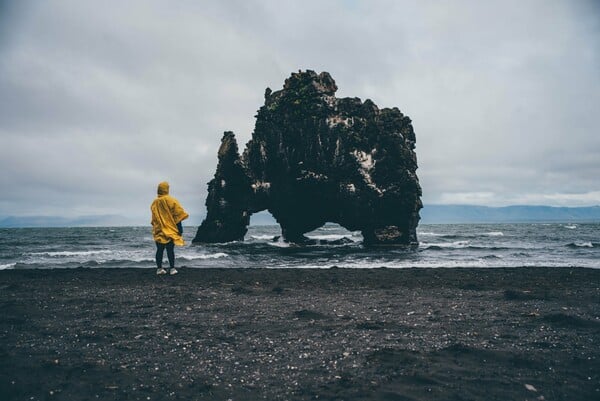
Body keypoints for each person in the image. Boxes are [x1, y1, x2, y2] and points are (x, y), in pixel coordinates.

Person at [150, 181, 189, 275]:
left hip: (159, 229)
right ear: (167, 189)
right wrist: (180, 229)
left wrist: (156, 226)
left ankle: (159, 269)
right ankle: (172, 269)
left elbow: (154, 217)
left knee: (159, 250)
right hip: (171, 228)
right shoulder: (172, 200)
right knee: (170, 249)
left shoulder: (155, 202)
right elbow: (178, 216)